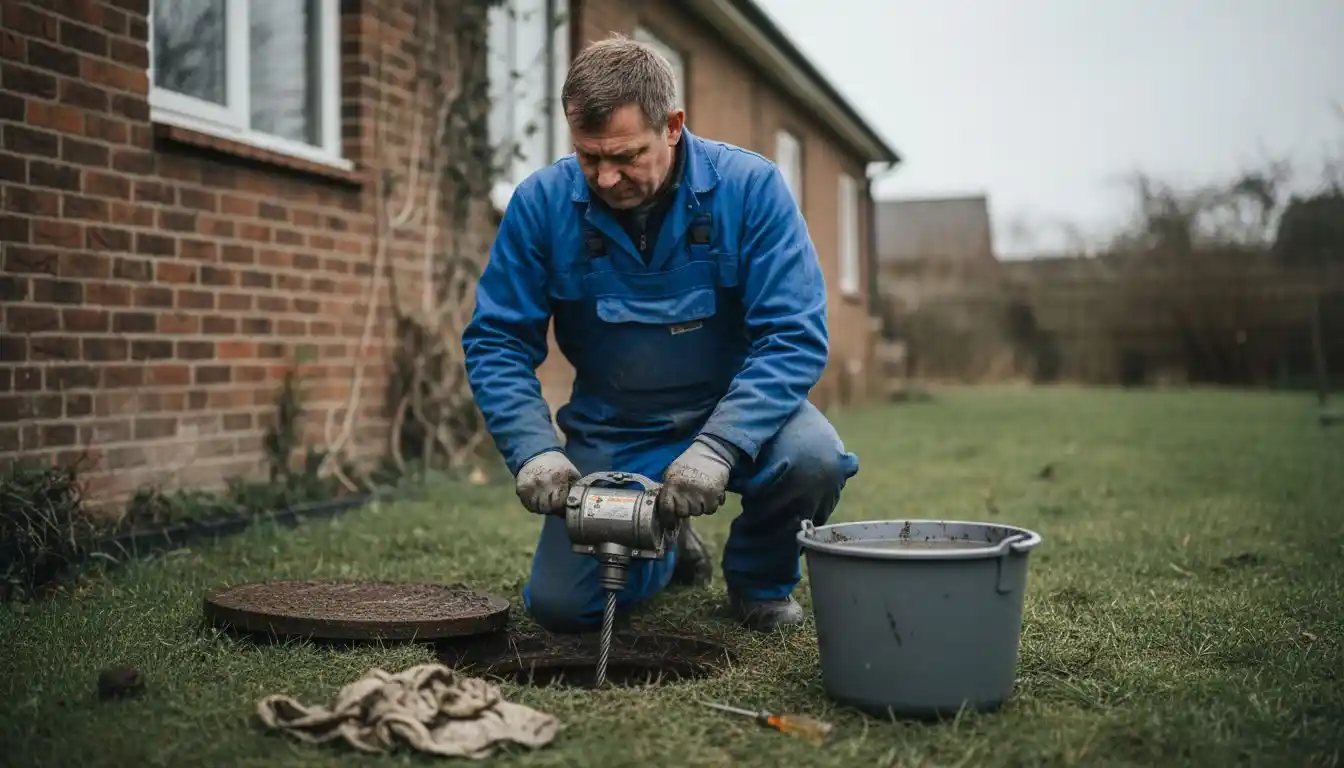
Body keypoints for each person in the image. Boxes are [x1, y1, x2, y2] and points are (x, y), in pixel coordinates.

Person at [461, 34, 859, 634]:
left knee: (813, 458)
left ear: (672, 126)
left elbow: (794, 334)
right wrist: (534, 447)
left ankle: (757, 581)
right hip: (615, 428)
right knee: (564, 610)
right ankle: (664, 544)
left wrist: (720, 446)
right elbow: (497, 339)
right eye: (589, 157)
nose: (606, 177)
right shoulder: (541, 205)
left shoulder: (751, 191)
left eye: (626, 155)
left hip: (736, 413)